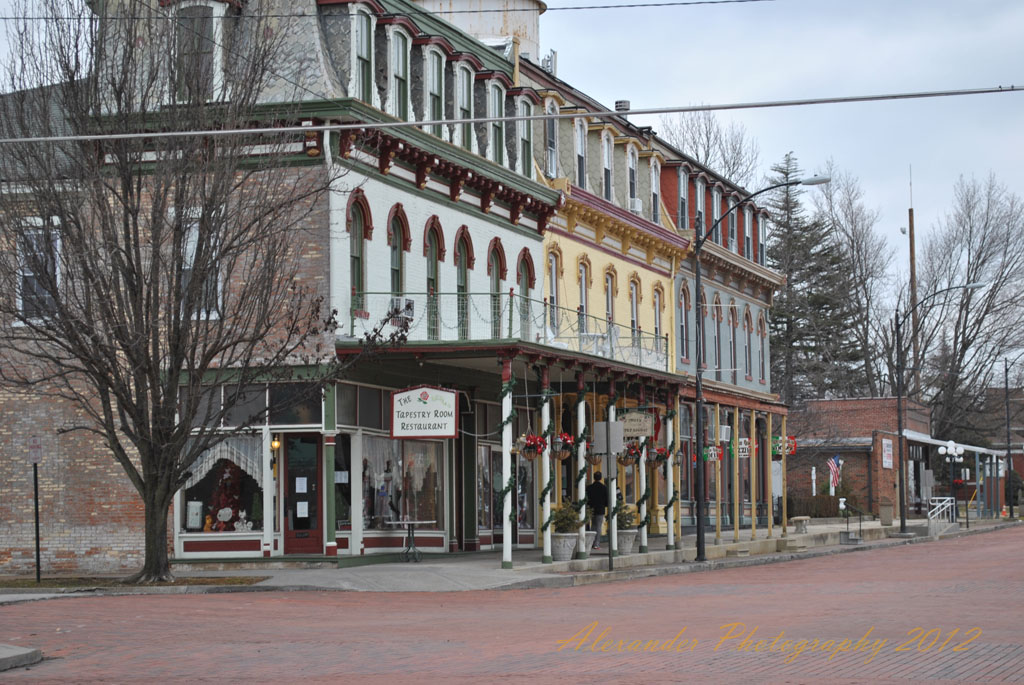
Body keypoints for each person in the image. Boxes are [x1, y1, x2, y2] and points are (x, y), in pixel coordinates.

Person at [586, 471, 609, 550]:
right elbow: (607, 500)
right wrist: (604, 505)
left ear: (594, 477)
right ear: (601, 478)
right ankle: (596, 544)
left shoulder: (589, 487)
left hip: (591, 508)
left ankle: (591, 542)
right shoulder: (604, 487)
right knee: (598, 526)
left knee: (593, 525)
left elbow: (587, 499)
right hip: (600, 509)